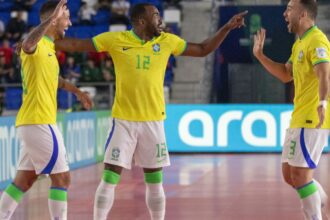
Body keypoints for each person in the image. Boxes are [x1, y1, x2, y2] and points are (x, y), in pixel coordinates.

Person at [55, 3, 247, 220]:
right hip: (124, 122)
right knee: (109, 180)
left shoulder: (167, 41)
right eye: (155, 15)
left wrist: (227, 27)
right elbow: (72, 44)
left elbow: (203, 50)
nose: (160, 19)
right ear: (141, 21)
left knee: (155, 183)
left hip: (153, 122)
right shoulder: (115, 40)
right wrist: (40, 39)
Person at [0, 1, 92, 220]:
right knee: (62, 179)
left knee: (24, 181)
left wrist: (77, 91)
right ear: (52, 19)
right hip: (39, 121)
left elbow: (55, 80)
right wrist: (48, 21)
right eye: (66, 17)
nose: (69, 23)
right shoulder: (35, 44)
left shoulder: (49, 47)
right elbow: (27, 45)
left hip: (34, 122)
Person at [253, 0, 330, 219]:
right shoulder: (299, 43)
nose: (285, 13)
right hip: (299, 117)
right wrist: (260, 55)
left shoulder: (316, 40)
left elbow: (325, 72)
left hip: (312, 117)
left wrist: (322, 103)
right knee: (289, 174)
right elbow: (286, 74)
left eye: (289, 9)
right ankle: (320, 198)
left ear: (303, 13)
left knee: (300, 175)